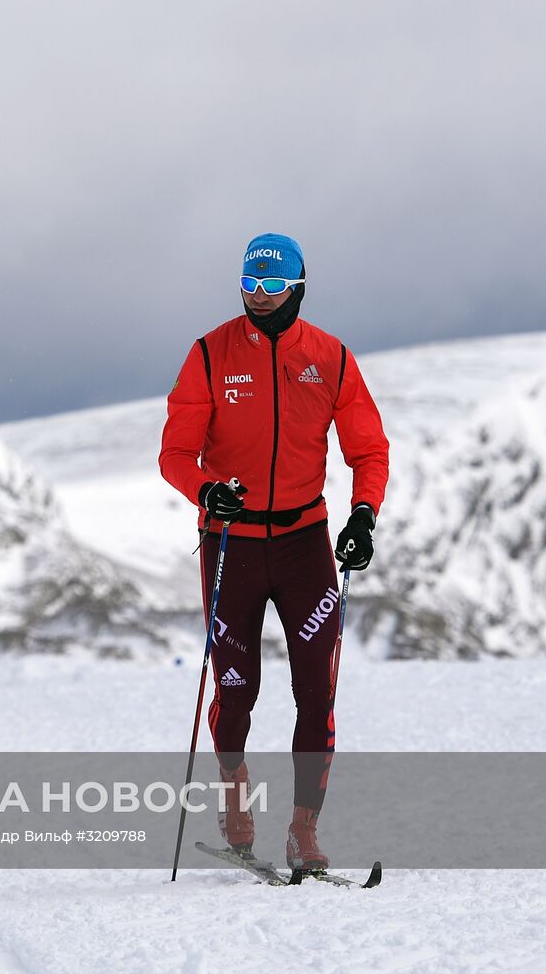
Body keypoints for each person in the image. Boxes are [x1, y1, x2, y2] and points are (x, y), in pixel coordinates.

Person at [159, 233, 389, 870]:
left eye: (272, 287)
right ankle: (236, 802)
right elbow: (174, 454)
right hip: (230, 541)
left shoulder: (331, 358)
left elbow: (369, 449)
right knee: (238, 690)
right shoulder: (210, 353)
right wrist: (206, 490)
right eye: (249, 286)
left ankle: (303, 830)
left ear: (298, 287)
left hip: (302, 544)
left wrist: (363, 515)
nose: (259, 299)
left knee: (317, 690)